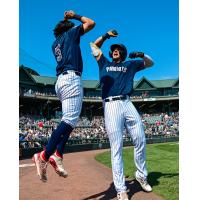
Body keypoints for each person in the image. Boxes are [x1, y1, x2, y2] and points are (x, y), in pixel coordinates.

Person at [32, 10, 95, 182]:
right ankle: (44, 156)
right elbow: (90, 23)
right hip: (71, 79)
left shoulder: (55, 43)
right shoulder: (70, 33)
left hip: (60, 81)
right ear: (69, 28)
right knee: (69, 121)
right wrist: (74, 16)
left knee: (69, 121)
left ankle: (58, 155)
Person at [90, 30, 154, 200]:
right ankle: (121, 188)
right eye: (114, 49)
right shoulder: (104, 62)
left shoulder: (130, 65)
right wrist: (105, 36)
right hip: (111, 105)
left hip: (127, 102)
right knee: (116, 148)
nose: (115, 50)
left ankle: (141, 175)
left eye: (118, 48)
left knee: (140, 139)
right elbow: (94, 46)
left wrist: (142, 54)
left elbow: (150, 63)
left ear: (123, 52)